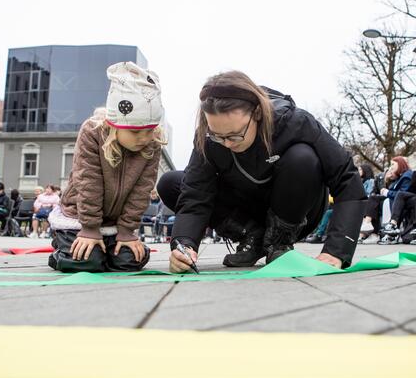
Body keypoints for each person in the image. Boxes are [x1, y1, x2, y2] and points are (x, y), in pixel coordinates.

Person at [157, 71, 366, 273]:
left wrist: (336, 251)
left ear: (257, 113)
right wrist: (183, 245)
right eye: (218, 136)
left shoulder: (296, 123)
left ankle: (279, 241)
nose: (227, 144)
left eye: (235, 135)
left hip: (295, 207)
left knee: (302, 157)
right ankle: (251, 237)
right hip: (247, 209)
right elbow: (196, 194)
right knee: (172, 182)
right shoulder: (208, 137)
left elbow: (346, 178)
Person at [47, 61, 165, 273]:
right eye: (136, 132)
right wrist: (90, 229)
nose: (144, 138)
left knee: (130, 261)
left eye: (149, 130)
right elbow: (88, 181)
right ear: (115, 125)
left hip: (114, 223)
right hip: (79, 218)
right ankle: (60, 249)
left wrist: (127, 231)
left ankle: (106, 252)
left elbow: (142, 190)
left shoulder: (152, 142)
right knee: (88, 262)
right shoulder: (93, 132)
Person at [359, 156, 413, 245]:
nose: (391, 167)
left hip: (401, 200)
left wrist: (387, 192)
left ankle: (371, 228)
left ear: (400, 164)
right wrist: (387, 180)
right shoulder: (399, 176)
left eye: (393, 164)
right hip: (393, 199)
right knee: (373, 200)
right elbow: (390, 189)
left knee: (375, 201)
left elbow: (402, 194)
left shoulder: (406, 175)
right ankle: (369, 226)